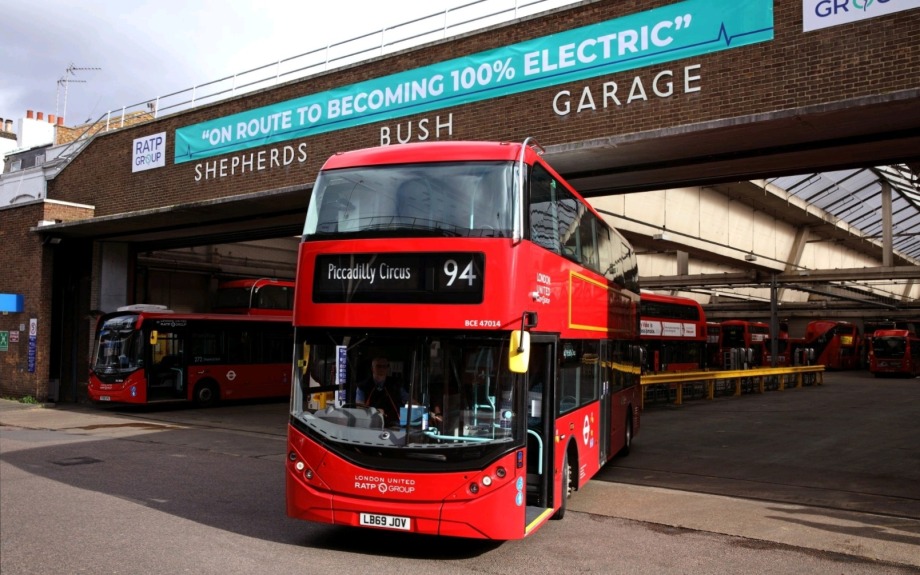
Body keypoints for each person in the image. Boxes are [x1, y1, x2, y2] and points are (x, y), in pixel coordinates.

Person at [356, 357, 408, 425]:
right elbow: (359, 407)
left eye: (385, 366)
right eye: (379, 366)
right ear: (372, 368)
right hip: (370, 424)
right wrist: (375, 411)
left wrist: (416, 405)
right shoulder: (362, 386)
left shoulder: (396, 385)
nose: (382, 369)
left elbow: (408, 400)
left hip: (394, 425)